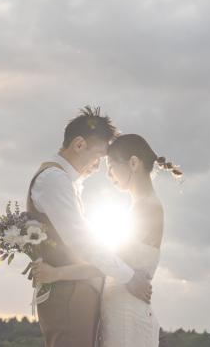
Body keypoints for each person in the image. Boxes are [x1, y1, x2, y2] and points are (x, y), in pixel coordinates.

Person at [32, 133, 180, 347]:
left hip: (128, 317)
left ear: (133, 162)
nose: (108, 174)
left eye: (111, 166)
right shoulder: (140, 206)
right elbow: (112, 262)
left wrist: (56, 274)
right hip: (120, 313)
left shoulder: (147, 207)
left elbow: (106, 264)